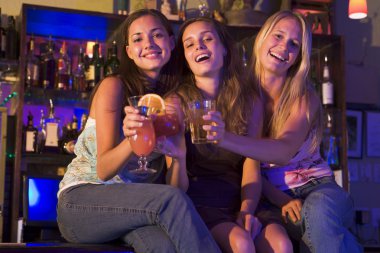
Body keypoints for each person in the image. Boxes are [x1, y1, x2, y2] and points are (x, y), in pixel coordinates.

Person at [57, 9, 221, 253]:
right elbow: (103, 170)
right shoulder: (114, 87)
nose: (149, 44)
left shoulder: (173, 101)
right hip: (82, 203)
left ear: (170, 42)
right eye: (138, 39)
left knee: (164, 245)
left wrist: (179, 157)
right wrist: (131, 139)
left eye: (157, 35)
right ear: (129, 52)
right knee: (167, 199)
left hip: (134, 209)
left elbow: (177, 189)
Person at [204, 10, 363, 253]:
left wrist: (224, 138)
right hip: (272, 201)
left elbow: (283, 151)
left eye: (294, 44)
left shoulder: (303, 98)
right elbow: (250, 166)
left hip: (319, 188)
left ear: (299, 56)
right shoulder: (241, 95)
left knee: (318, 212)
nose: (283, 47)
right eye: (278, 36)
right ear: (262, 37)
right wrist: (282, 199)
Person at [154, 17, 264, 253]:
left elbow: (251, 164)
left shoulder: (250, 100)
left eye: (207, 39)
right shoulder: (175, 103)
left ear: (224, 48)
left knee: (280, 245)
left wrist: (246, 211)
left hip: (243, 199)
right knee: (242, 243)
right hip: (197, 204)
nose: (199, 47)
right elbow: (176, 189)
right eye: (190, 44)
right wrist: (180, 157)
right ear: (185, 58)